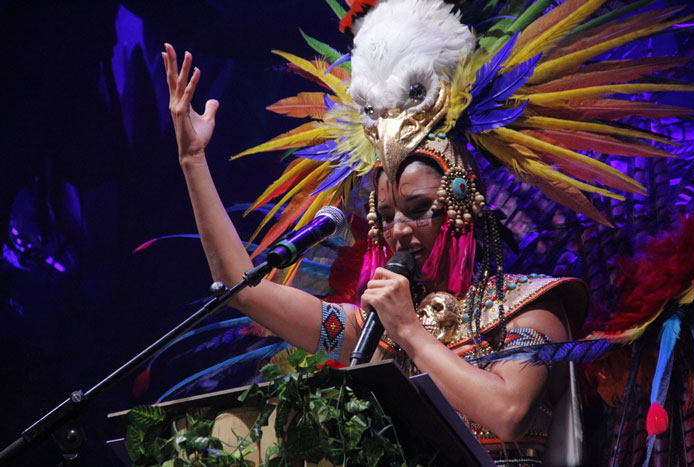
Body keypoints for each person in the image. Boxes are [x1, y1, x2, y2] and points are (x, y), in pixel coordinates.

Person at [162, 42, 583, 463]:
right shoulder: (371, 330)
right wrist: (192, 160)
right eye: (385, 215)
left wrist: (409, 330)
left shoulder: (530, 306)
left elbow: (507, 414)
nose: (398, 229)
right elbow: (242, 289)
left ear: (461, 203)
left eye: (418, 209)